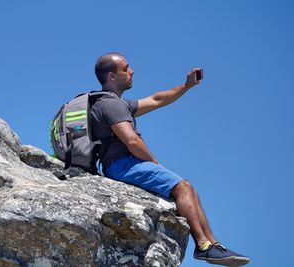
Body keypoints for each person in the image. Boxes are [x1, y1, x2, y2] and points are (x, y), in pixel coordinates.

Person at [91, 52, 250, 266]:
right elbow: (132, 141)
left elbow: (157, 100)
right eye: (126, 69)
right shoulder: (111, 105)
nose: (132, 71)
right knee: (182, 187)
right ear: (111, 76)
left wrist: (186, 86)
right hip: (121, 165)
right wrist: (153, 162)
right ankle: (203, 246)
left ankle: (213, 245)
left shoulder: (119, 104)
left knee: (189, 188)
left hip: (123, 163)